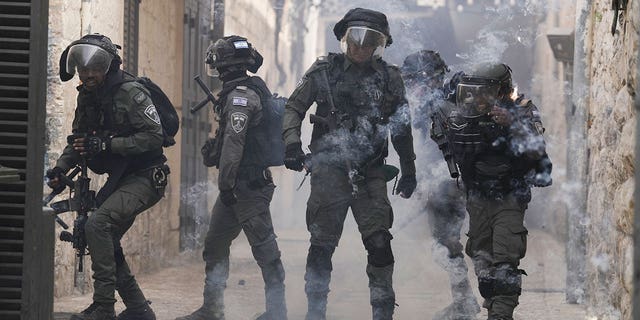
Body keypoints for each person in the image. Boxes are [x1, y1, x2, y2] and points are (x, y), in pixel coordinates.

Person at [282, 8, 417, 320]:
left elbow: (402, 127)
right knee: (321, 245)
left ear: (379, 45)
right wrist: (291, 143)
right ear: (345, 39)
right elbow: (293, 107)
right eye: (355, 40)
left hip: (370, 172)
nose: (360, 48)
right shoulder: (323, 72)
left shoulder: (390, 78)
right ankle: (315, 312)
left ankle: (382, 314)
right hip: (330, 170)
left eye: (369, 42)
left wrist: (409, 169)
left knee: (380, 244)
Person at [47, 33, 169, 320]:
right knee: (106, 237)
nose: (88, 75)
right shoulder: (88, 96)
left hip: (146, 176)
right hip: (120, 178)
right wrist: (60, 169)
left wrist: (107, 145)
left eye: (94, 69)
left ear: (108, 67)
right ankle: (139, 309)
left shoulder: (131, 92)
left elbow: (154, 137)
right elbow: (79, 140)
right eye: (83, 69)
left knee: (98, 225)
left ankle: (103, 306)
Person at [175, 35, 287, 320]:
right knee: (215, 245)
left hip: (247, 186)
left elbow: (235, 145)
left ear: (225, 66)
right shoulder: (242, 92)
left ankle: (277, 312)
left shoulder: (240, 97)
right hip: (237, 187)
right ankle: (212, 309)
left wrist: (225, 184)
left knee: (265, 249)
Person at [431, 62, 552, 320]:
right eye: (473, 92)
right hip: (476, 197)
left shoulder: (522, 111)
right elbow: (443, 128)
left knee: (506, 261)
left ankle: (500, 315)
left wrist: (512, 125)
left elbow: (537, 149)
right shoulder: (459, 114)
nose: (478, 99)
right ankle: (492, 299)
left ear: (501, 92)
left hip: (510, 196)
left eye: (486, 93)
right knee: (483, 265)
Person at [400, 50, 480, 320]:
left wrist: (437, 184)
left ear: (429, 79)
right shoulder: (431, 105)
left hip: (454, 184)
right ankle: (464, 300)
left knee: (450, 244)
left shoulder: (447, 102)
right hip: (446, 182)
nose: (412, 89)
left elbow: (448, 150)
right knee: (446, 244)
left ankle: (470, 302)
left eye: (414, 81)